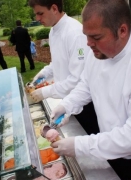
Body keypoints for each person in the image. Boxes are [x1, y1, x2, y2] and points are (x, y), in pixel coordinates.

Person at [49, 0, 131, 180]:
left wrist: (80, 146)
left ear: (122, 31)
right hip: (107, 148)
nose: (88, 44)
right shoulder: (96, 51)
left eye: (96, 37)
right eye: (86, 36)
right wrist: (66, 106)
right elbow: (86, 84)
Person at [28, 0, 99, 135]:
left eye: (40, 13)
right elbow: (57, 63)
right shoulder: (53, 32)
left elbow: (77, 79)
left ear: (54, 8)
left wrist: (45, 92)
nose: (37, 18)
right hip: (68, 102)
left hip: (85, 105)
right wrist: (41, 76)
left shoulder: (74, 33)